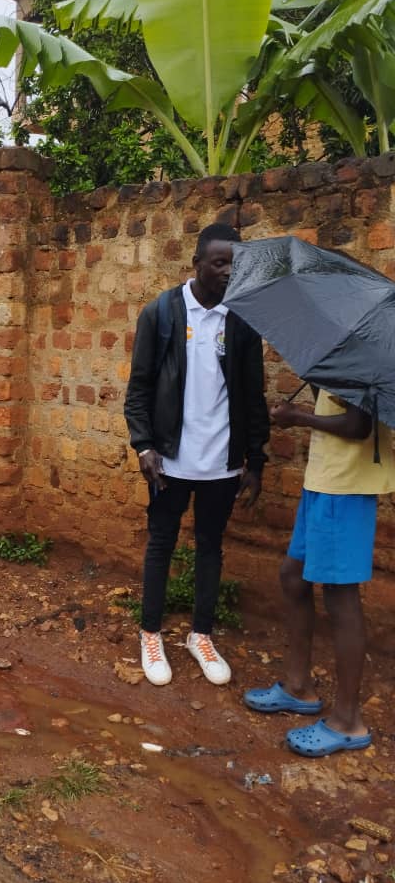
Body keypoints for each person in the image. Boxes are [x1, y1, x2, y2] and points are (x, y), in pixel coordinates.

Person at [124, 223, 269, 687]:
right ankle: (150, 633)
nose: (227, 272)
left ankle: (200, 635)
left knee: (210, 547)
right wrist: (143, 445)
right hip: (169, 459)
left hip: (222, 463)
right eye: (219, 263)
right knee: (161, 543)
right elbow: (139, 388)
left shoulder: (240, 321)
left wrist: (256, 460)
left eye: (234, 264)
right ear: (198, 263)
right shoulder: (162, 313)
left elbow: (253, 395)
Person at [244, 389, 392, 756]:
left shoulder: (363, 353)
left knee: (341, 596)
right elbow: (338, 404)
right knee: (293, 578)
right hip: (324, 480)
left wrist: (299, 418)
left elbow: (358, 425)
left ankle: (348, 721)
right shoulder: (343, 352)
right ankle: (298, 687)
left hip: (347, 487)